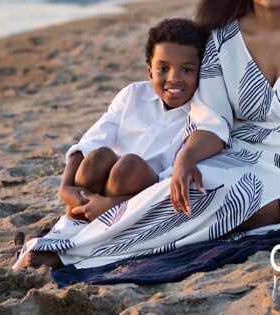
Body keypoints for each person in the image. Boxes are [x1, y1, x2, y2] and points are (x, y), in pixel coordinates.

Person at [18, 0, 280, 270]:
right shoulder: (221, 40)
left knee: (238, 201)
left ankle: (86, 242)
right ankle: (71, 244)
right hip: (237, 152)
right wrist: (186, 159)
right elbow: (213, 122)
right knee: (185, 189)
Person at [20, 17, 207, 268]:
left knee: (127, 166)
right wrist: (65, 188)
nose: (173, 78)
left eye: (186, 69)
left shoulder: (200, 115)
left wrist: (112, 206)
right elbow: (91, 140)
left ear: (201, 71)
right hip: (96, 190)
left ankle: (80, 246)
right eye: (163, 69)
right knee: (98, 156)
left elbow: (168, 182)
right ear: (149, 71)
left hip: (139, 200)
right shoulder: (133, 94)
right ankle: (70, 231)